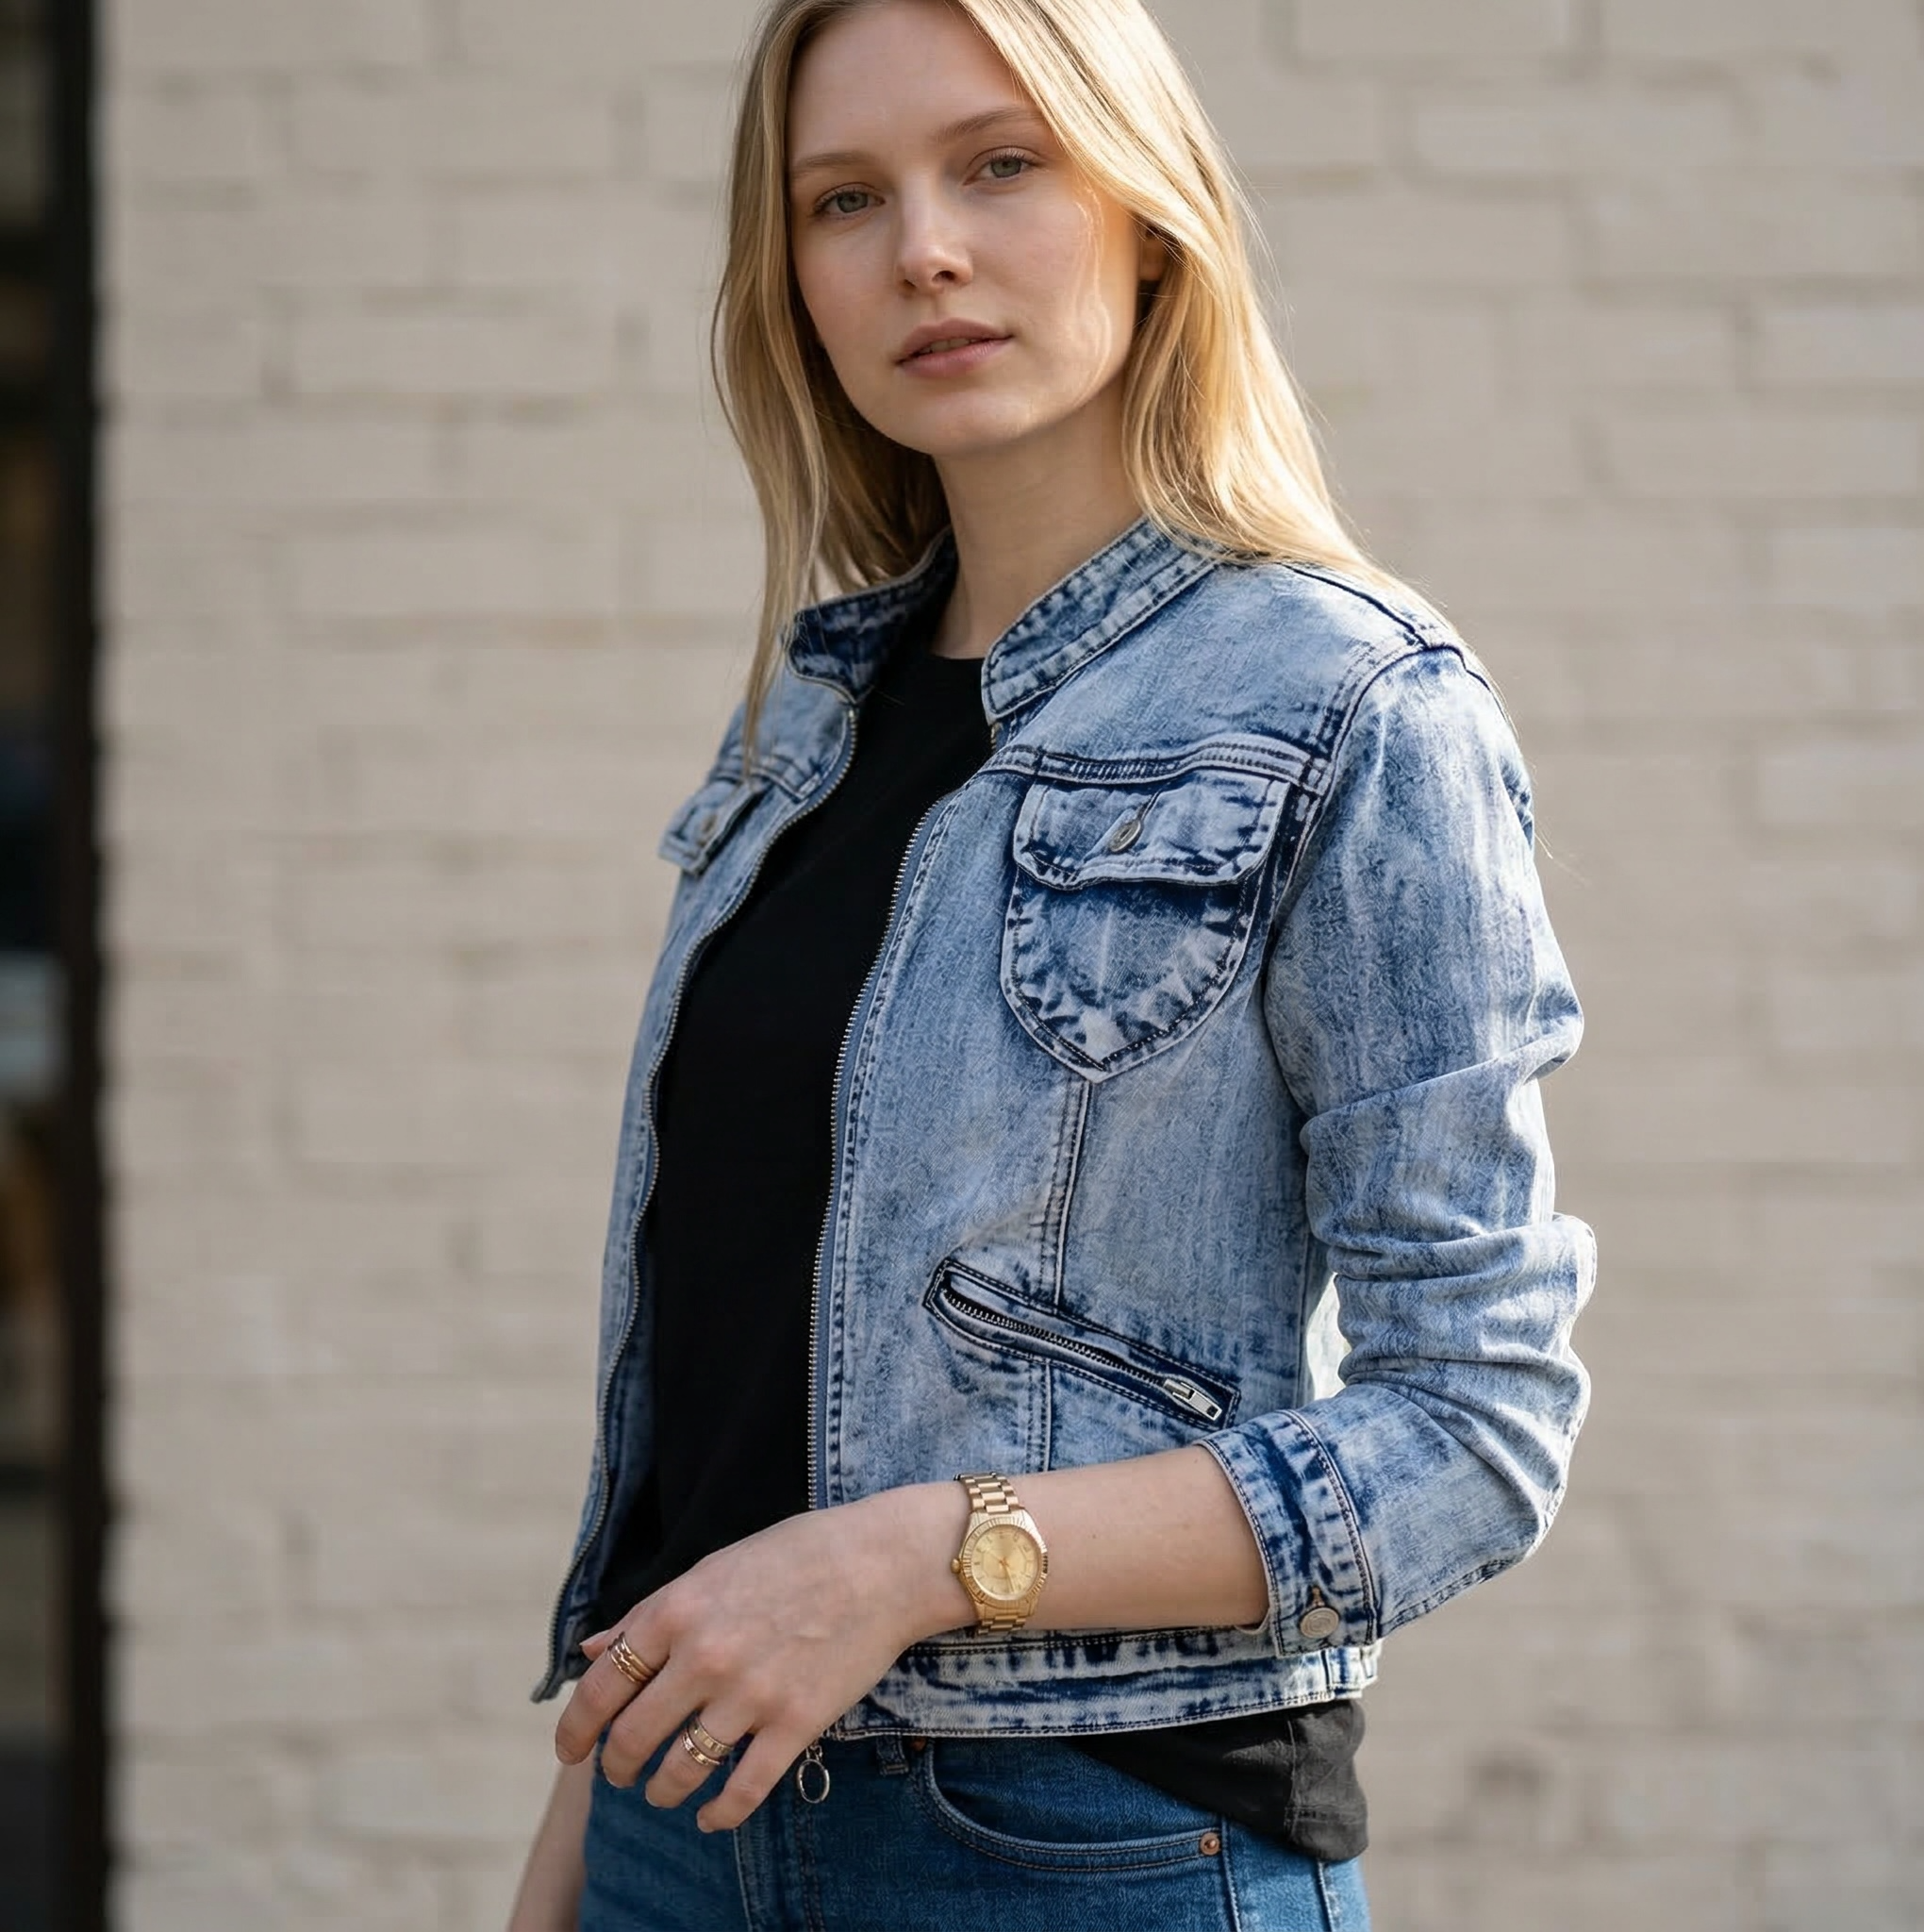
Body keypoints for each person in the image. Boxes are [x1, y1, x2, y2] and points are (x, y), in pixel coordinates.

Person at [509, 0, 1594, 1924]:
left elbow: (1474, 1431)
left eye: (999, 165)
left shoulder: (1350, 705)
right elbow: (715, 1410)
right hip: (679, 1829)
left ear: (1149, 218)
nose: (923, 247)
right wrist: (584, 1853)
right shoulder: (803, 733)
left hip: (1083, 1848)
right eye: (844, 199)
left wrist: (919, 1557)